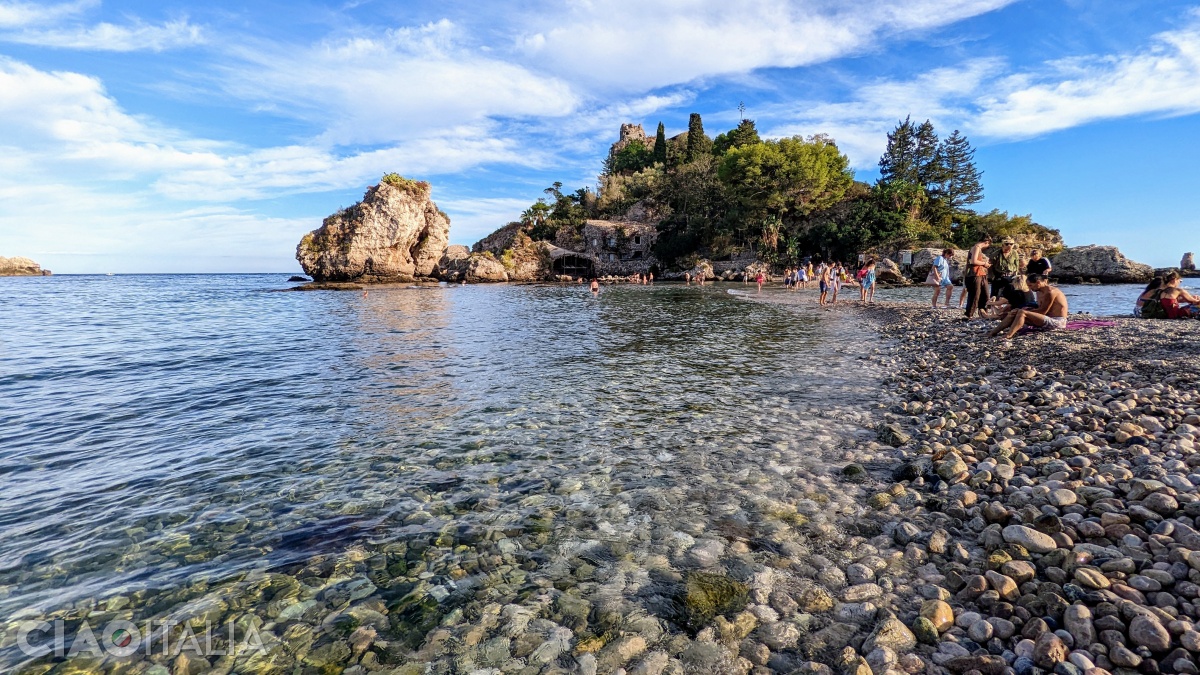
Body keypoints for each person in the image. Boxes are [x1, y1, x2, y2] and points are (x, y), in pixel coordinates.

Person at [988, 274, 1068, 338]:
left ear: (1038, 283)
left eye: (1030, 285)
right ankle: (993, 332)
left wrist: (1026, 311)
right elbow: (1039, 307)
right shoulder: (1038, 291)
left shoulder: (1050, 292)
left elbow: (1043, 311)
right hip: (1046, 318)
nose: (1030, 288)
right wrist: (1027, 309)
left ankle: (1009, 335)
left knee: (1022, 313)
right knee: (1014, 312)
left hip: (1057, 322)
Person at [964, 235, 992, 319]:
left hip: (981, 274)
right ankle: (969, 314)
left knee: (985, 294)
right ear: (986, 242)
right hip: (974, 274)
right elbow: (973, 261)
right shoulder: (976, 247)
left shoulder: (978, 249)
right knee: (975, 295)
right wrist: (984, 263)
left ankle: (982, 312)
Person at [990, 237, 1022, 303]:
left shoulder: (1014, 253)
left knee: (1010, 292)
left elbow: (1017, 264)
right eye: (1007, 244)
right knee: (995, 293)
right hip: (999, 275)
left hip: (1010, 275)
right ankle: (991, 305)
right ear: (1003, 245)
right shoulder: (996, 253)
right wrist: (991, 276)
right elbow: (990, 265)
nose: (1009, 246)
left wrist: (1016, 273)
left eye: (1011, 244)